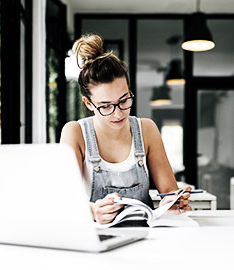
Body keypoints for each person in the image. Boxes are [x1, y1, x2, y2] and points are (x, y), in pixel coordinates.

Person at [60, 34, 191, 224]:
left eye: (124, 100)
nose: (118, 113)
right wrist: (92, 212)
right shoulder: (75, 133)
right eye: (105, 106)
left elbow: (169, 194)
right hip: (99, 240)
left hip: (146, 237)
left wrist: (173, 202)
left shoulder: (146, 129)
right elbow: (64, 199)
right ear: (88, 103)